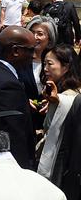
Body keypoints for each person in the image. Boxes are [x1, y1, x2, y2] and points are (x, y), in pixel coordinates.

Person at [0, 26, 36, 169]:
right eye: (30, 50)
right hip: (11, 166)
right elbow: (15, 135)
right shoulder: (8, 84)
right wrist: (24, 171)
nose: (34, 55)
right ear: (15, 51)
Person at [37, 44, 81, 179]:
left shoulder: (69, 97)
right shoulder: (60, 94)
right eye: (44, 64)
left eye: (50, 64)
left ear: (66, 67)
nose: (45, 69)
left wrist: (57, 103)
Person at [25, 15, 57, 130]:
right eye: (32, 32)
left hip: (51, 120)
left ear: (50, 39)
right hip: (27, 120)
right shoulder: (20, 60)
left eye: (40, 34)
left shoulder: (57, 61)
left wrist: (54, 101)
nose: (35, 37)